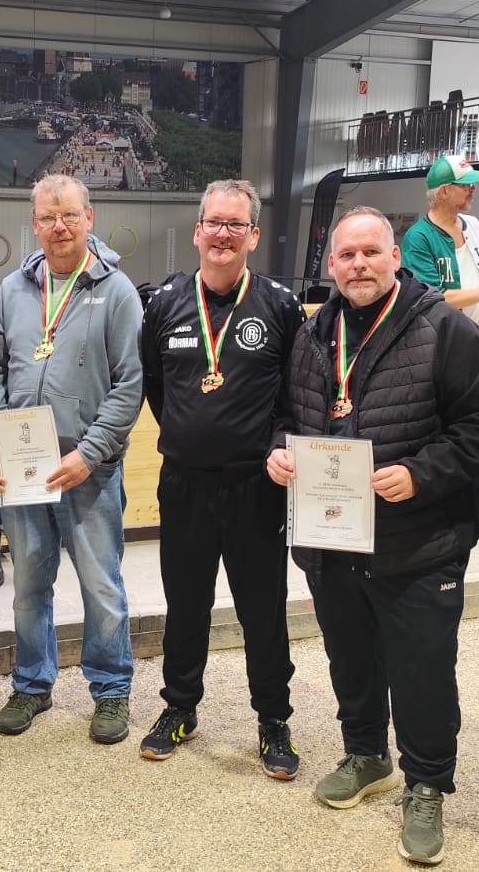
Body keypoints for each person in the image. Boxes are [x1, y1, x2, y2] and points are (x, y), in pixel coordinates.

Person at [266, 206, 479, 865]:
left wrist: (421, 474)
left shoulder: (446, 329)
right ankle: (366, 755)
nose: (359, 265)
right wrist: (278, 450)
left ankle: (426, 785)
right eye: (347, 255)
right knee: (350, 657)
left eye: (371, 252)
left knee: (422, 668)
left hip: (418, 539)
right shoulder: (314, 333)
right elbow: (286, 414)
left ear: (396, 257)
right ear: (331, 265)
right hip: (332, 535)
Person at [138, 179, 305, 777]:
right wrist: (191, 433)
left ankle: (274, 719)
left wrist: (277, 445)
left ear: (253, 236)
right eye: (215, 222)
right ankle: (180, 707)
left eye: (237, 224)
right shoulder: (164, 304)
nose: (224, 234)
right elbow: (156, 386)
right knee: (186, 604)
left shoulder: (280, 306)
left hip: (255, 488)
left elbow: (296, 396)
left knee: (263, 609)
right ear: (197, 231)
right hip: (184, 484)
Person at [0, 174, 144, 744]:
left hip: (88, 470)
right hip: (23, 469)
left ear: (89, 218)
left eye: (70, 216)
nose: (59, 227)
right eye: (48, 218)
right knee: (29, 585)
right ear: (34, 223)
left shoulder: (117, 291)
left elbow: (129, 386)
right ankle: (31, 683)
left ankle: (112, 689)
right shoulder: (13, 290)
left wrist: (89, 455)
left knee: (101, 585)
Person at [400, 154, 479, 347]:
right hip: (442, 342)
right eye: (466, 185)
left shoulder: (475, 226)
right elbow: (432, 299)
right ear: (444, 191)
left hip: (477, 337)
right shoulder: (419, 237)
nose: (473, 189)